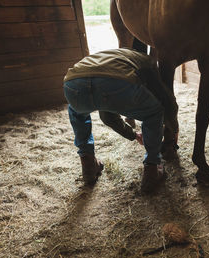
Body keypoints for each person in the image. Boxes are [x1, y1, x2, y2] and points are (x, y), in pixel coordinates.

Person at [63, 48, 178, 193]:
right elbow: (166, 100)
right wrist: (173, 128)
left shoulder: (115, 58)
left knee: (77, 111)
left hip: (73, 83)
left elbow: (107, 115)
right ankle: (152, 168)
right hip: (113, 83)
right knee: (154, 112)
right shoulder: (149, 63)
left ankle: (88, 163)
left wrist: (133, 135)